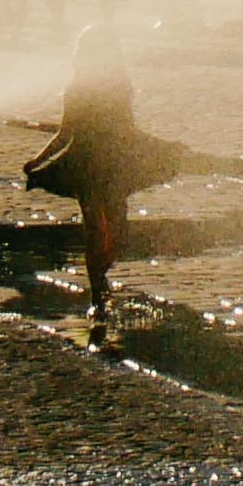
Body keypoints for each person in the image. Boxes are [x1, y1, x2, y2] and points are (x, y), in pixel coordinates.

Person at [22, 27, 186, 326]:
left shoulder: (118, 85)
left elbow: (125, 129)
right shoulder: (80, 88)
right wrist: (39, 160)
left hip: (111, 163)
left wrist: (154, 148)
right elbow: (66, 133)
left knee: (116, 233)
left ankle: (100, 280)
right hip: (89, 164)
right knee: (97, 231)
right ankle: (97, 292)